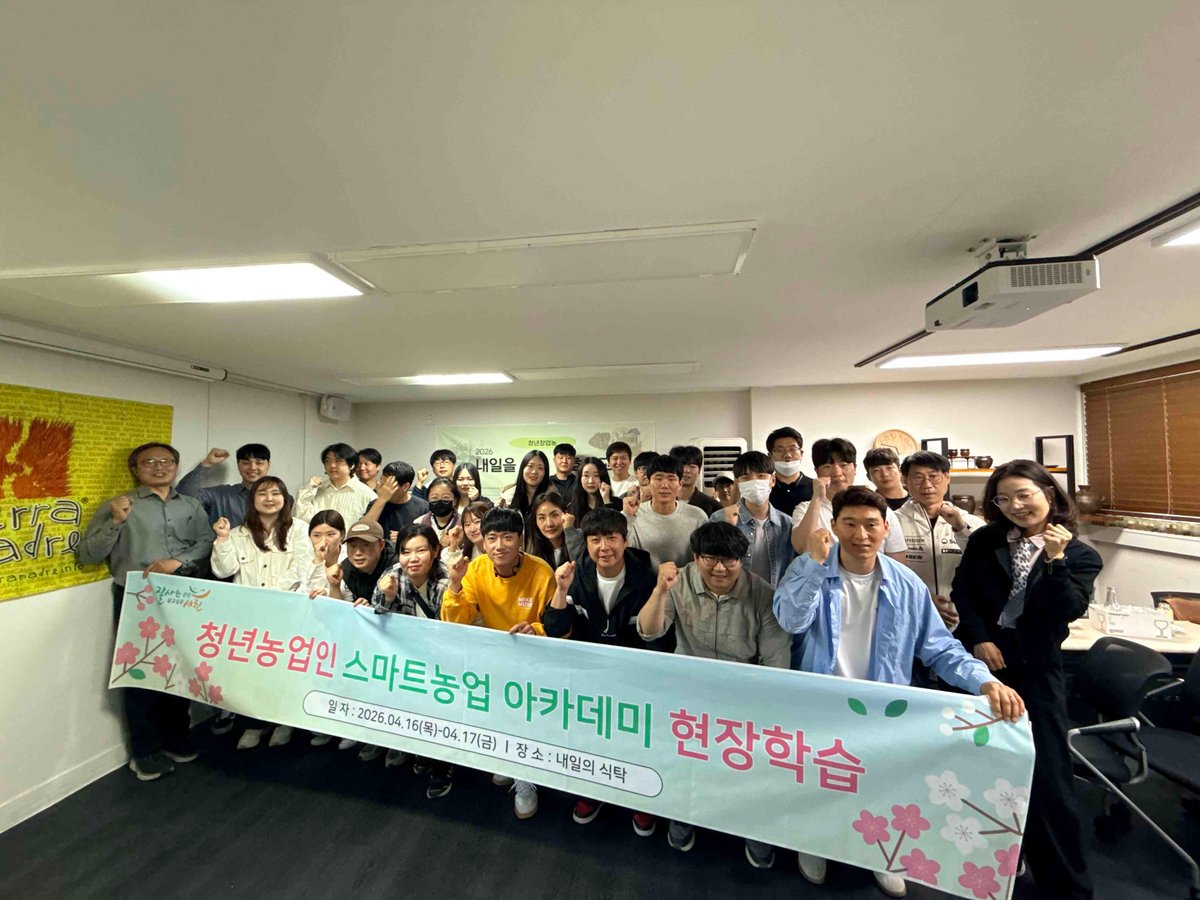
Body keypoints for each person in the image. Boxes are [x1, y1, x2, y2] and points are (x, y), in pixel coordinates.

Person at [772, 486, 1026, 898]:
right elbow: (790, 620)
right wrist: (814, 565)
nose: (861, 534)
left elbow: (939, 647)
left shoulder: (906, 584)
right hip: (822, 701)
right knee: (819, 778)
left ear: (885, 528)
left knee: (880, 781)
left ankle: (880, 853)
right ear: (834, 526)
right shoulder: (810, 568)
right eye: (849, 524)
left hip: (881, 706)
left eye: (871, 525)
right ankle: (815, 842)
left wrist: (985, 681)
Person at [951, 460, 1098, 899]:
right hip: (986, 666)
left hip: (1036, 670)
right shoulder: (987, 540)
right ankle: (994, 862)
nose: (1015, 506)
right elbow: (963, 592)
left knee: (1048, 778)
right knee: (981, 765)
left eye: (1024, 495)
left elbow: (1065, 608)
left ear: (1048, 494)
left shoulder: (1080, 555)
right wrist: (978, 638)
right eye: (1003, 499)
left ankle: (1066, 886)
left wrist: (1055, 560)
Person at [637, 522, 790, 867]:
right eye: (710, 559)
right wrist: (659, 592)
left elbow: (776, 662)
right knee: (686, 762)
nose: (719, 568)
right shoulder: (678, 583)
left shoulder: (762, 594)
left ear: (741, 560)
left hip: (743, 695)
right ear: (696, 557)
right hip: (689, 691)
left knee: (749, 767)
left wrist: (760, 712)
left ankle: (754, 827)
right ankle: (682, 816)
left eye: (729, 560)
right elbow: (649, 631)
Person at [77, 442, 214, 781]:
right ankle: (146, 751)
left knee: (181, 668)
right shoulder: (120, 505)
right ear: (135, 469)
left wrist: (177, 562)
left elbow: (206, 542)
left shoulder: (191, 504)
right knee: (141, 674)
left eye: (166, 461)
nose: (159, 466)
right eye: (149, 462)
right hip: (138, 597)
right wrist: (116, 521)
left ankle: (176, 738)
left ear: (176, 466)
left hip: (183, 595)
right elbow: (89, 553)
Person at [543, 507, 662, 836]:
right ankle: (593, 790)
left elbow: (656, 638)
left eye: (611, 538)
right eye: (595, 540)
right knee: (591, 734)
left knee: (636, 737)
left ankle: (641, 796)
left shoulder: (646, 576)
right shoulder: (575, 574)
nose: (604, 547)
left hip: (634, 673)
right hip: (589, 672)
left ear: (625, 540)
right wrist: (560, 590)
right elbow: (556, 629)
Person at [440, 507, 559, 819]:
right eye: (491, 538)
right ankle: (510, 760)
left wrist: (536, 630)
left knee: (526, 720)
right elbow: (456, 621)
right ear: (482, 541)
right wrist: (455, 585)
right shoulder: (476, 569)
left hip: (536, 661)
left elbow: (557, 624)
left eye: (507, 537)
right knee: (500, 716)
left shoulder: (541, 572)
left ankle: (526, 780)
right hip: (495, 659)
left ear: (520, 539)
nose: (499, 545)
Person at [210, 476, 313, 750]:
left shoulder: (299, 529)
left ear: (285, 499)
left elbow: (302, 568)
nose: (269, 499)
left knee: (284, 671)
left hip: (286, 614)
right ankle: (253, 724)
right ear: (252, 500)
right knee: (250, 673)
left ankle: (284, 722)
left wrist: (271, 597)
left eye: (276, 493)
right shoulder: (237, 533)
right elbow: (223, 570)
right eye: (262, 494)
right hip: (249, 617)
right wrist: (222, 539)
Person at [355, 524, 456, 790]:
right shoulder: (393, 575)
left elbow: (452, 627)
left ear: (435, 551)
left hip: (442, 659)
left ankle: (443, 764)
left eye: (421, 550)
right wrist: (387, 597)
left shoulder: (445, 580)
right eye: (405, 552)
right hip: (407, 656)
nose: (412, 558)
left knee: (439, 708)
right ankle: (423, 751)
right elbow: (377, 617)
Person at [894, 451, 984, 630]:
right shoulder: (893, 522)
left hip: (964, 619)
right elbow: (886, 573)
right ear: (905, 481)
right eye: (918, 477)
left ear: (947, 478)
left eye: (933, 476)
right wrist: (922, 599)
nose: (927, 485)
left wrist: (961, 527)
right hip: (911, 617)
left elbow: (985, 566)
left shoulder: (973, 523)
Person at [337, 518, 398, 755]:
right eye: (353, 546)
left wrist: (375, 606)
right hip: (366, 637)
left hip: (397, 635)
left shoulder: (396, 565)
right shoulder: (345, 568)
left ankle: (395, 740)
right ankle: (366, 729)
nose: (358, 552)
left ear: (381, 545)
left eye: (366, 546)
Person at [789, 438, 906, 561]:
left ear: (854, 468)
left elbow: (897, 561)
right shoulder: (805, 509)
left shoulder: (877, 508)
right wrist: (817, 498)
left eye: (843, 465)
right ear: (817, 471)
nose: (837, 472)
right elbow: (802, 548)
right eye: (828, 466)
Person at [713, 451, 795, 588]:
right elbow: (712, 562)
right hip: (735, 596)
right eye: (746, 478)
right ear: (738, 483)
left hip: (774, 597)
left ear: (772, 480)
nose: (754, 482)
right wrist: (728, 528)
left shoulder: (787, 524)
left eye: (761, 476)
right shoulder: (719, 518)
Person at [622, 454, 710, 569]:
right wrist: (627, 517)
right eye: (658, 478)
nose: (664, 485)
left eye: (671, 479)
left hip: (686, 579)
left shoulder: (698, 516)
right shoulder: (633, 513)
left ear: (680, 484)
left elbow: (706, 557)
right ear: (648, 482)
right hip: (644, 579)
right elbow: (622, 552)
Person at [176, 443, 272, 526]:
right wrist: (207, 463)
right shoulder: (219, 495)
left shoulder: (279, 499)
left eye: (259, 463)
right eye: (246, 463)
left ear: (268, 465)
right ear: (238, 465)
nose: (252, 467)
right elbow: (183, 495)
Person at [294, 443, 376, 523]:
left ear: (352, 465)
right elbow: (301, 520)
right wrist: (308, 491)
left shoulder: (367, 495)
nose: (332, 465)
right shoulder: (315, 490)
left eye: (339, 461)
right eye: (328, 461)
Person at [362, 461, 430, 543]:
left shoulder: (423, 507)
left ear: (405, 486)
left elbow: (428, 538)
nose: (382, 488)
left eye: (388, 485)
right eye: (381, 483)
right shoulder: (375, 504)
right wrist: (381, 500)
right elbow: (363, 530)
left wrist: (406, 538)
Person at [526, 491, 584, 567]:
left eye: (555, 515)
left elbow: (581, 567)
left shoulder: (578, 538)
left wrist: (569, 531)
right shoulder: (532, 550)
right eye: (542, 518)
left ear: (565, 514)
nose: (549, 524)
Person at [766, 427, 813, 515]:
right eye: (780, 450)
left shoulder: (815, 487)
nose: (787, 455)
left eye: (793, 449)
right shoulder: (764, 489)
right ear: (770, 456)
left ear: (801, 454)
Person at [669, 445, 721, 517]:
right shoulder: (661, 502)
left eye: (692, 466)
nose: (686, 470)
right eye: (681, 466)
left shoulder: (713, 506)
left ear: (699, 471)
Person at [566, 456, 622, 523]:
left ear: (603, 477)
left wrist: (606, 500)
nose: (591, 481)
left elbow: (614, 526)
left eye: (596, 475)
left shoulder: (618, 503)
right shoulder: (572, 507)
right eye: (586, 475)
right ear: (580, 478)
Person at [440, 499, 492, 565]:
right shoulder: (467, 551)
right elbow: (448, 569)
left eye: (477, 522)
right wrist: (453, 545)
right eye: (467, 524)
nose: (472, 529)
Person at [507, 449, 554, 520]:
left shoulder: (553, 498)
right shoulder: (507, 497)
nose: (534, 472)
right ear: (522, 468)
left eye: (540, 468)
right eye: (530, 466)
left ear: (545, 473)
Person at [415, 477, 460, 541]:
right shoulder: (419, 523)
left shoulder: (463, 523)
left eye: (445, 497)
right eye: (434, 497)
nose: (440, 501)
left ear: (454, 501)